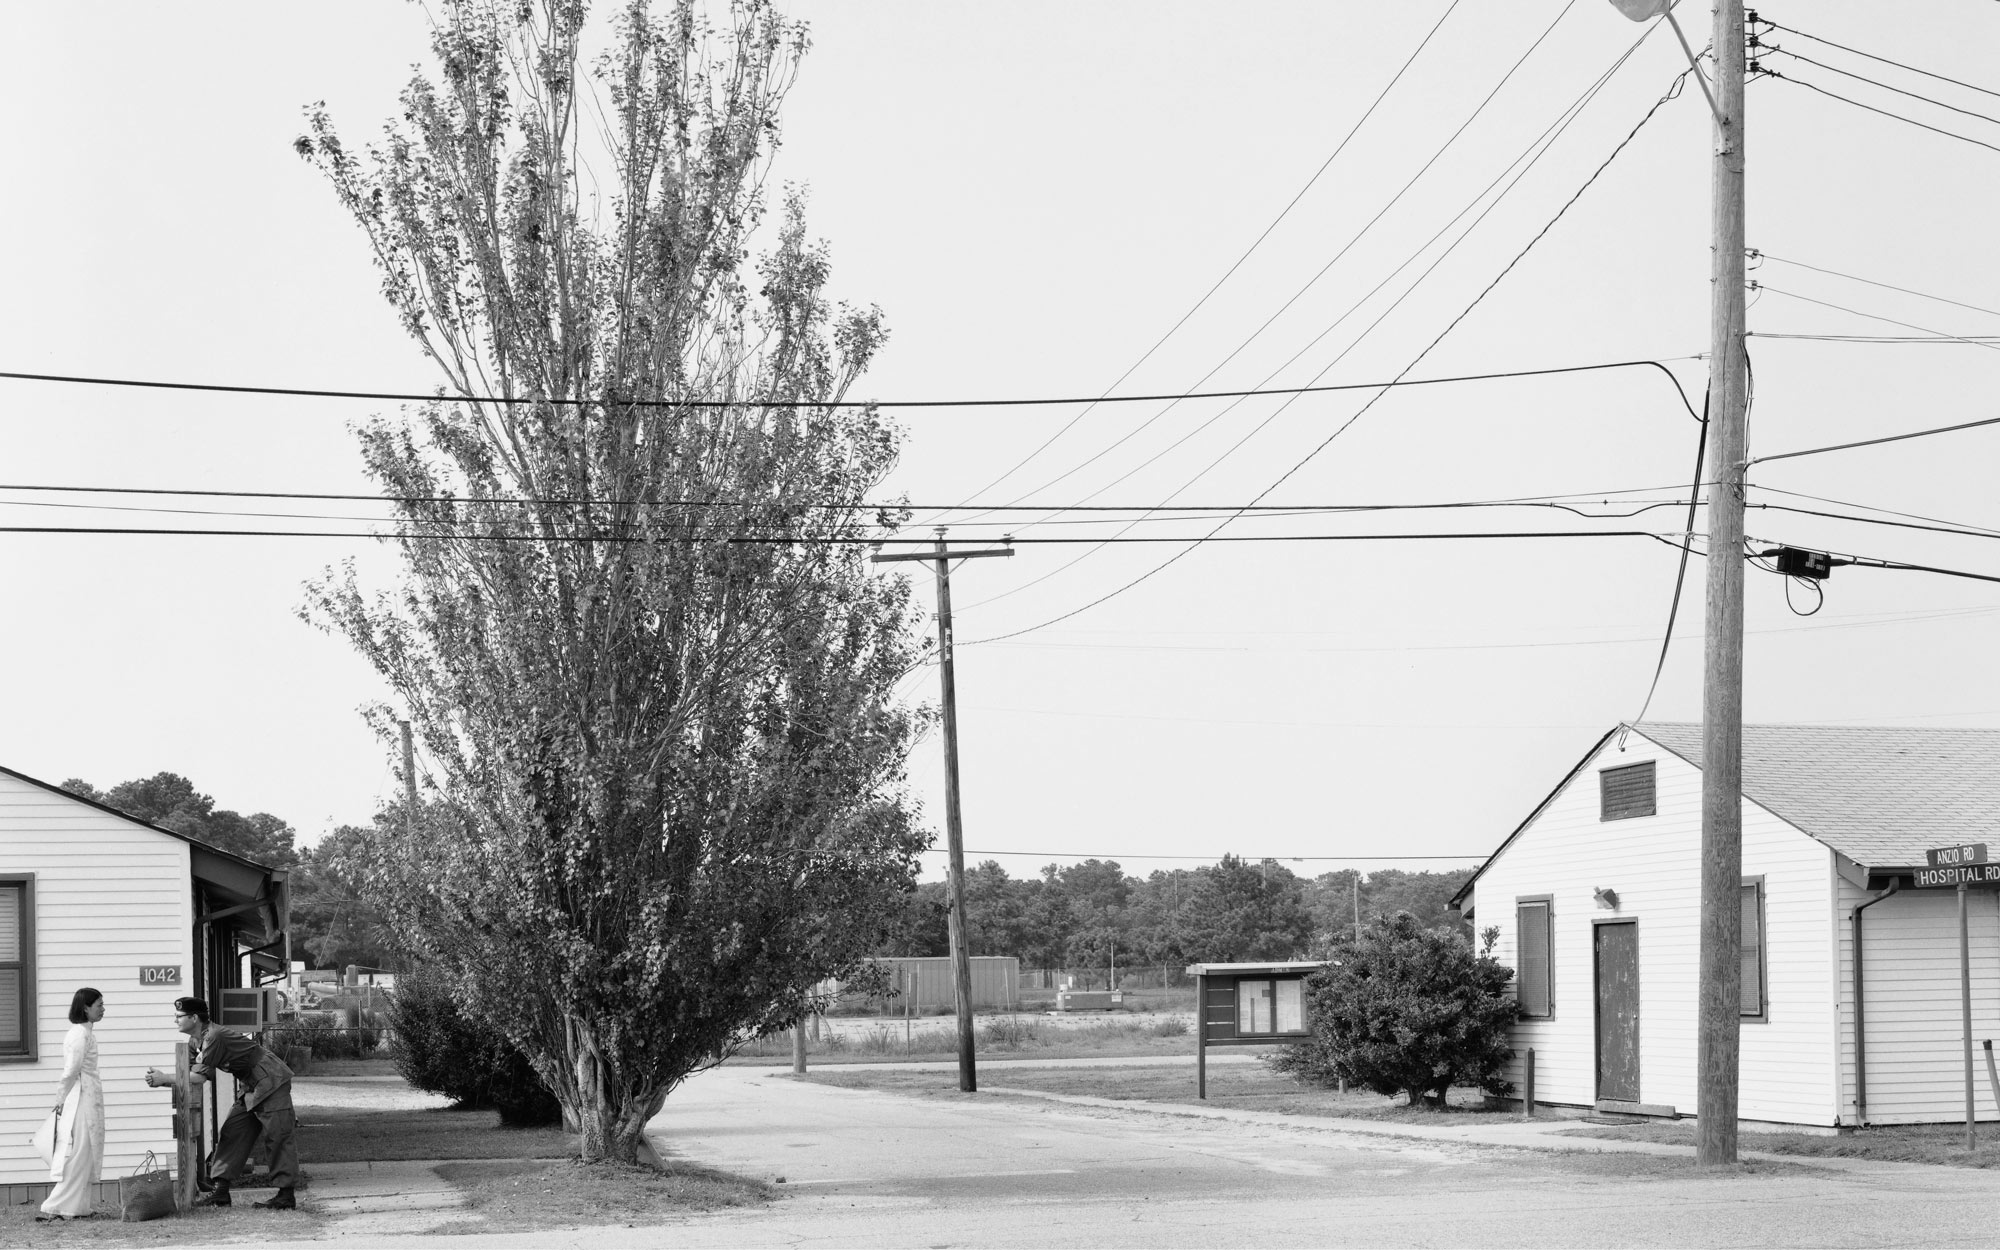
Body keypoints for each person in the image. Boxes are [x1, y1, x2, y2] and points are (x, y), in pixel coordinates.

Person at [144, 996, 298, 1210]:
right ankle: (221, 1192)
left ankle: (285, 1195)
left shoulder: (214, 1037)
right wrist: (163, 1081)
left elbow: (199, 1077)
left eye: (179, 1017)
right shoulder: (195, 1041)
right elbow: (190, 1075)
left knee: (277, 1134)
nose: (175, 1021)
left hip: (271, 1079)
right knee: (233, 1132)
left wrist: (164, 1078)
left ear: (194, 1018)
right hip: (251, 1084)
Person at [37, 988, 106, 1222]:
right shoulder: (79, 1034)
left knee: (87, 1152)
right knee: (81, 1151)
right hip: (80, 1096)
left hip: (89, 1093)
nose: (102, 1009)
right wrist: (60, 1099)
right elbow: (70, 1071)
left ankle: (78, 1206)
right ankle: (55, 1205)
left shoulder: (86, 1032)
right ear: (85, 1007)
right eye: (98, 1004)